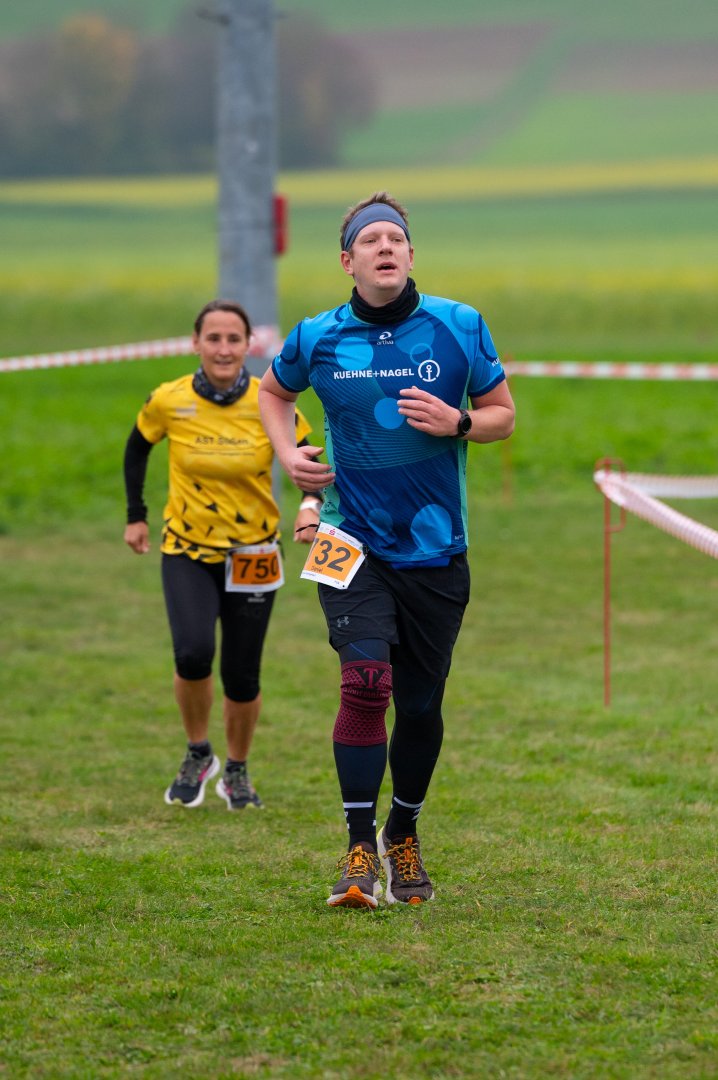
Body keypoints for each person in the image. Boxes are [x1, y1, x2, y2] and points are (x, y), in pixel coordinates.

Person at [258, 192, 515, 908]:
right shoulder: (317, 336)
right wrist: (289, 456)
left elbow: (502, 417)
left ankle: (402, 832)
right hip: (348, 539)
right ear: (348, 261)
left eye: (395, 239)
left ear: (410, 254)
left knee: (421, 706)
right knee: (366, 683)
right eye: (370, 240)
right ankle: (356, 848)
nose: (385, 248)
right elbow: (273, 393)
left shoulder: (458, 325)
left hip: (435, 548)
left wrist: (459, 421)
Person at [123, 299, 321, 811]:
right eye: (213, 338)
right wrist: (136, 514)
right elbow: (137, 447)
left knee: (242, 673)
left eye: (234, 339)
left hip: (254, 552)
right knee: (191, 654)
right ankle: (197, 753)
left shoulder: (269, 400)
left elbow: (311, 458)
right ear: (196, 343)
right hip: (186, 549)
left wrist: (310, 505)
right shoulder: (169, 399)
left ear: (248, 345)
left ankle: (236, 770)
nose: (224, 349)